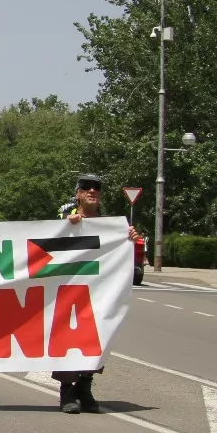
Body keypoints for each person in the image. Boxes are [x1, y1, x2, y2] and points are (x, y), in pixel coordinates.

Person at [56, 173, 140, 413]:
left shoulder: (111, 226)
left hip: (98, 292)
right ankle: (67, 391)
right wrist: (66, 223)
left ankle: (85, 386)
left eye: (97, 187)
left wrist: (130, 238)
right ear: (78, 194)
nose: (92, 191)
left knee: (97, 336)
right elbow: (51, 238)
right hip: (70, 291)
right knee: (68, 339)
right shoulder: (65, 217)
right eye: (86, 187)